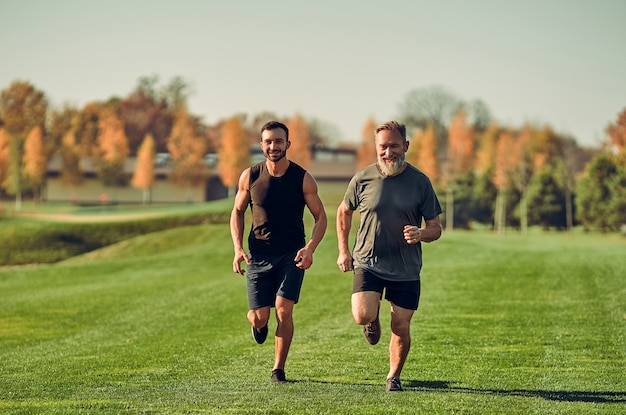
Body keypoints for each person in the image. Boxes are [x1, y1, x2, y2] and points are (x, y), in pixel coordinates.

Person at [336, 120, 442, 392]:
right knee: (361, 314)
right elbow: (343, 211)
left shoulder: (420, 182)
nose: (388, 152)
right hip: (368, 261)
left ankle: (393, 376)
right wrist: (343, 251)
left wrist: (421, 234)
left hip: (406, 268)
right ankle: (372, 320)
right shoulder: (363, 178)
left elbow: (435, 227)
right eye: (383, 146)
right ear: (376, 147)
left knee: (401, 325)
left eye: (394, 146)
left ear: (405, 146)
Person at [230, 120, 328, 384]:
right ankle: (258, 326)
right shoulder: (250, 176)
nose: (274, 146)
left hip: (291, 255)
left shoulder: (302, 178)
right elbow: (237, 212)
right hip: (258, 255)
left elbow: (321, 217)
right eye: (268, 141)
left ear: (288, 144)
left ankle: (278, 370)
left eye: (279, 141)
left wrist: (310, 249)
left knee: (284, 310)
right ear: (262, 145)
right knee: (260, 317)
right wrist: (238, 248)